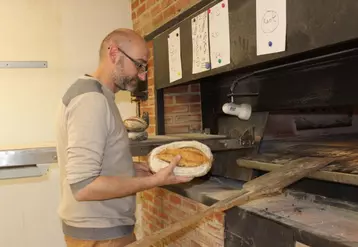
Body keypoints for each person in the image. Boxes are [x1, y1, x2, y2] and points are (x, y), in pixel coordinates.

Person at [55, 28, 193, 247]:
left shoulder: (98, 95)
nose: (142, 75)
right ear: (113, 53)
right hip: (100, 235)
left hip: (101, 230)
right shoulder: (91, 101)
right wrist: (153, 181)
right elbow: (83, 187)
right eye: (138, 64)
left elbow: (97, 164)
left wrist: (127, 170)